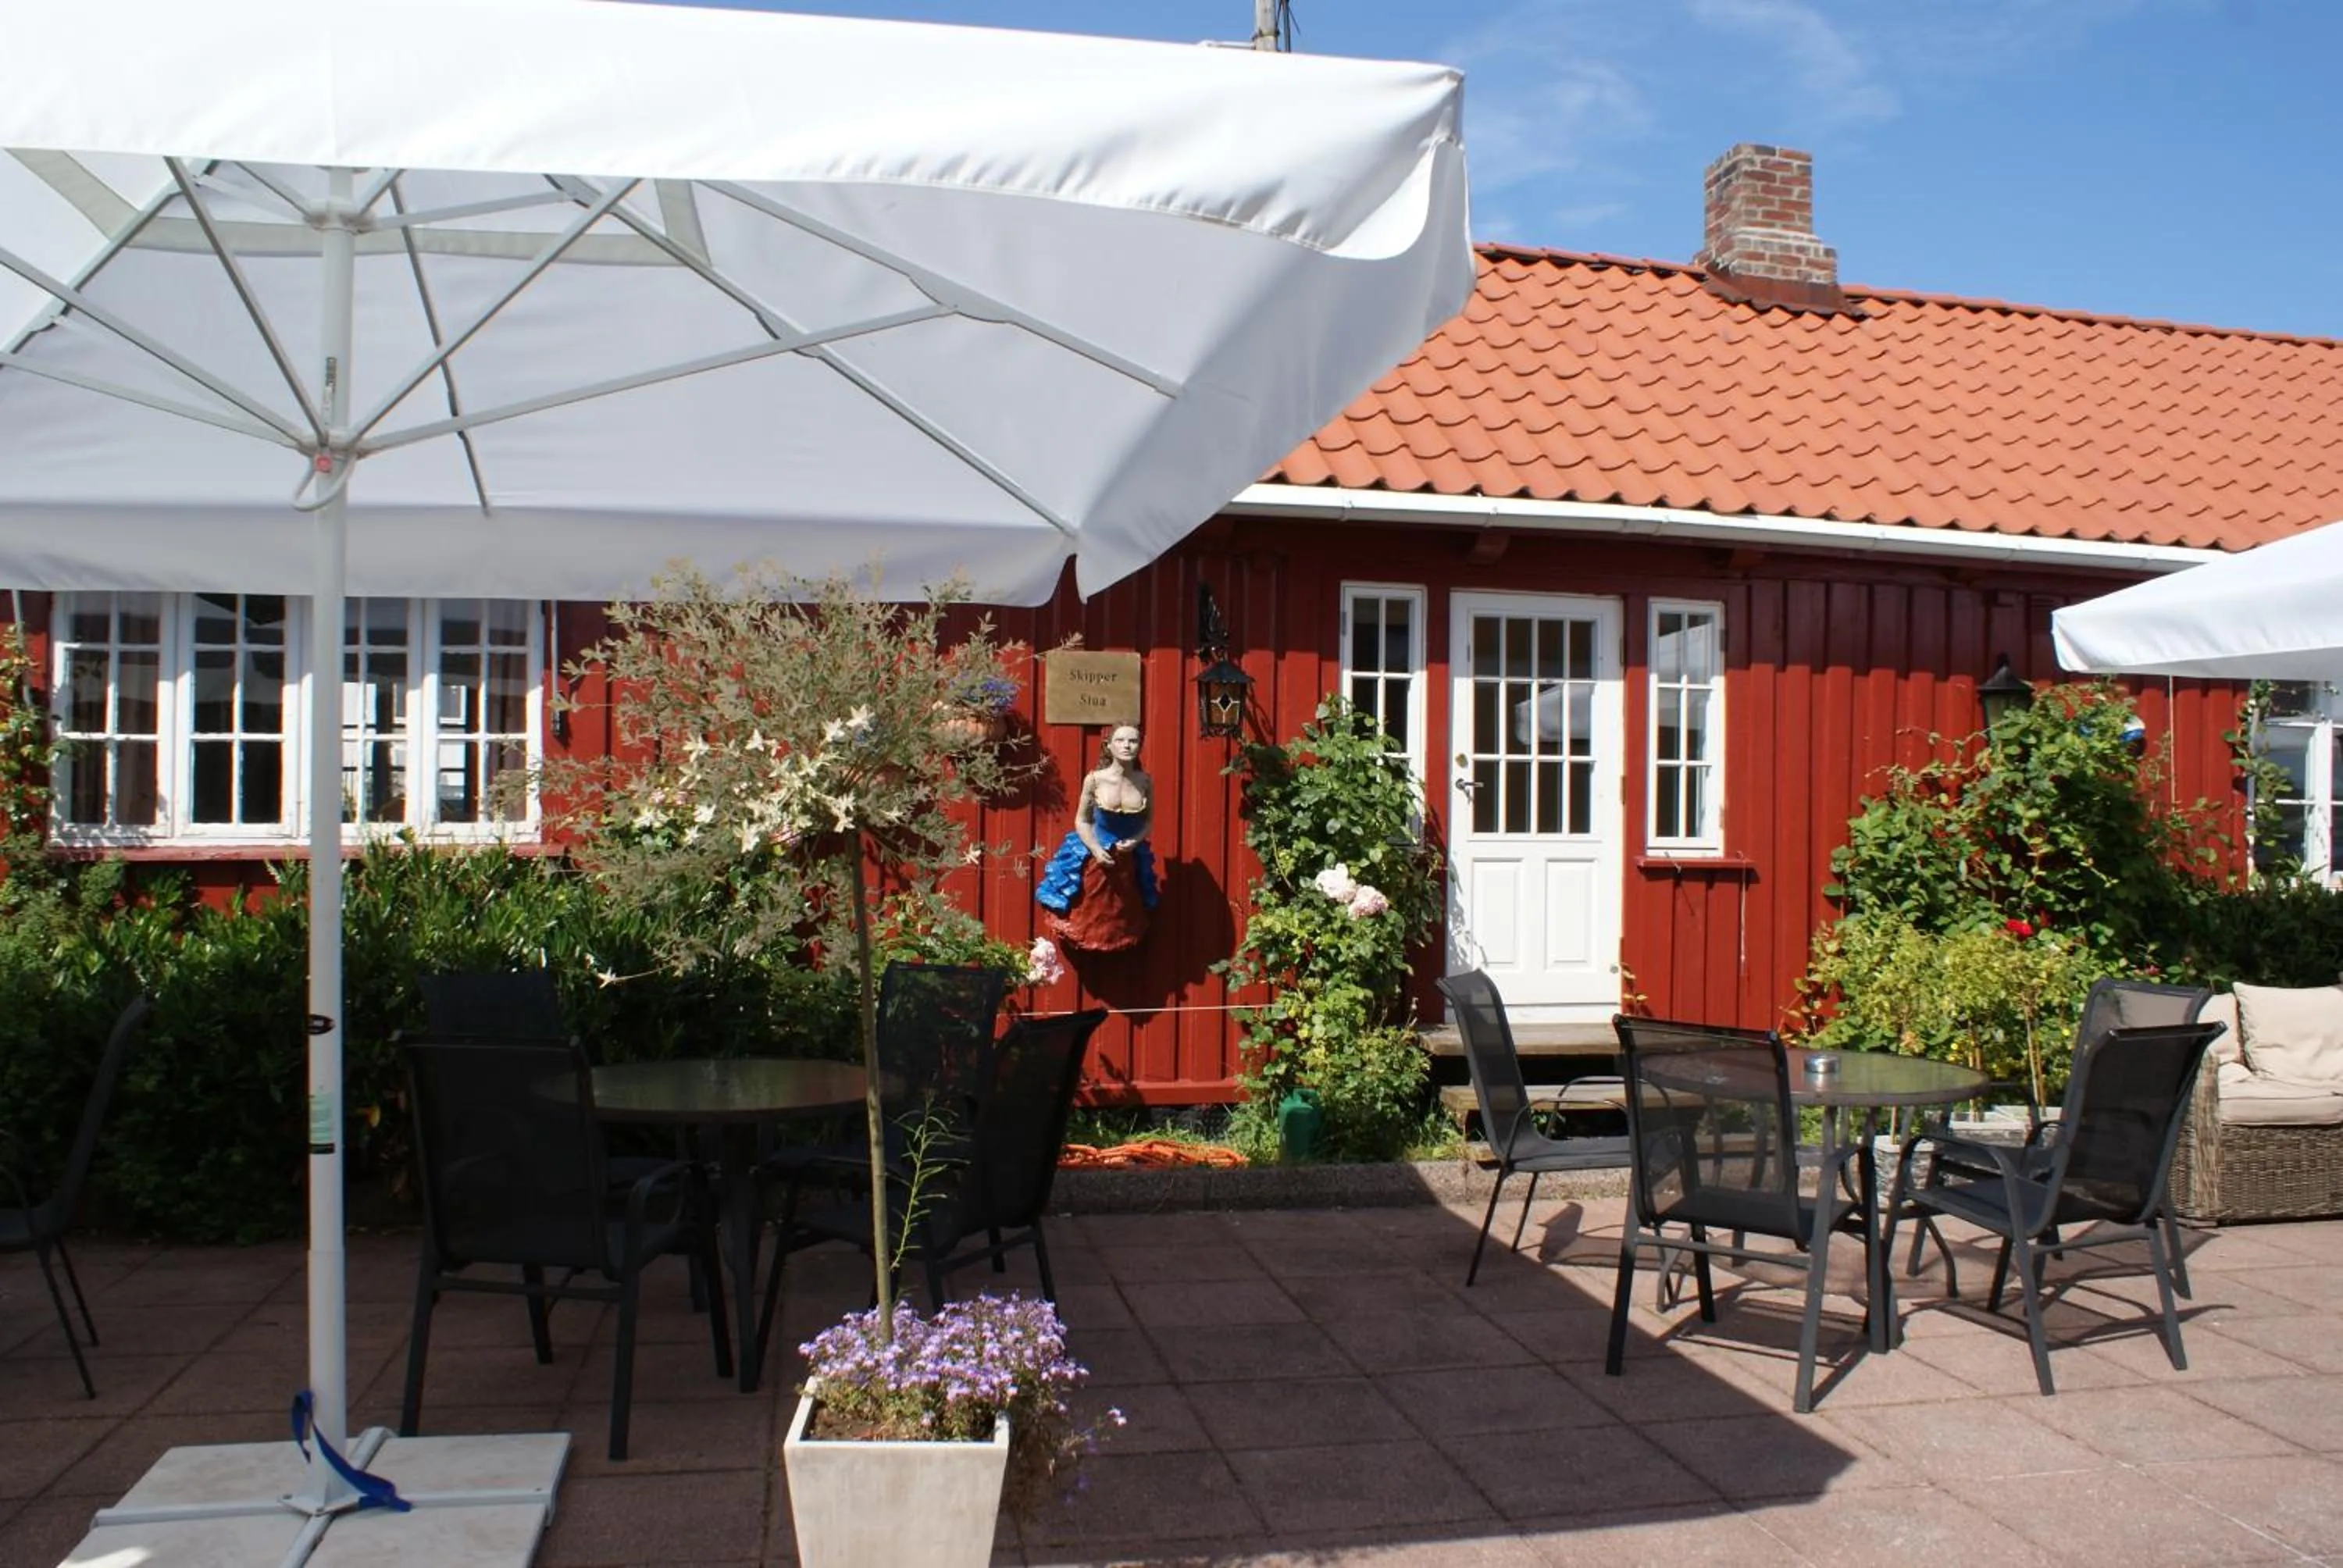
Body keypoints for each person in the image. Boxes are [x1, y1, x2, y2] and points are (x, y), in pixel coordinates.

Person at [1036, 723, 1159, 951]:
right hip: (1095, 854)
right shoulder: (1094, 780)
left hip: (1127, 857)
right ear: (1109, 746)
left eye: (1133, 741)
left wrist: (1135, 841)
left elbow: (1147, 822)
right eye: (1120, 740)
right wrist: (1095, 849)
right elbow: (1082, 821)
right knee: (1086, 909)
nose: (1127, 746)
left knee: (1123, 911)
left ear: (1140, 746)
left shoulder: (1145, 781)